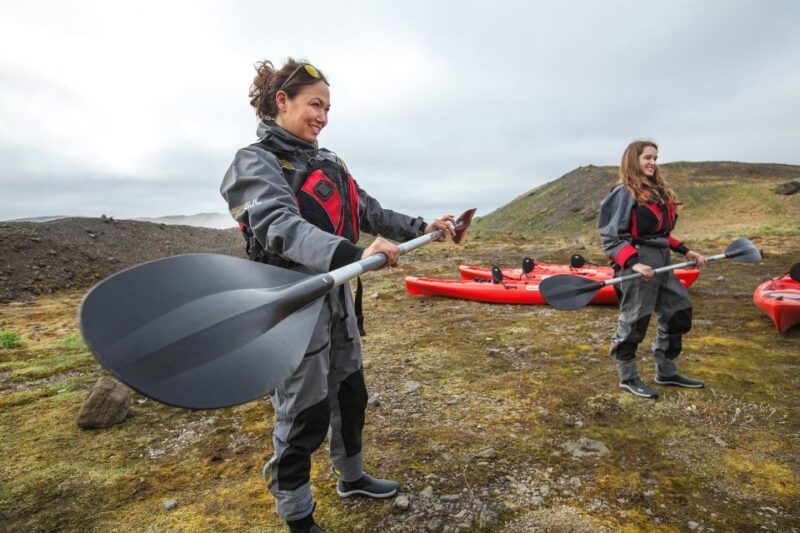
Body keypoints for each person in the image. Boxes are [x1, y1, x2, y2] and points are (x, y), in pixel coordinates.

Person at [220, 58, 455, 533]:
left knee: (350, 395)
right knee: (302, 412)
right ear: (280, 101)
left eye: (327, 107)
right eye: (314, 104)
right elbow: (278, 226)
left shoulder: (328, 161)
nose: (323, 116)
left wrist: (420, 227)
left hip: (338, 296)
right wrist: (351, 253)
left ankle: (351, 477)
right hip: (292, 302)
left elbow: (367, 210)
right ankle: (297, 513)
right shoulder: (254, 163)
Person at [597, 140, 708, 399]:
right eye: (647, 157)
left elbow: (660, 234)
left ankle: (666, 371)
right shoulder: (624, 192)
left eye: (655, 158)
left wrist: (686, 250)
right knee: (635, 321)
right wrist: (633, 262)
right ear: (633, 160)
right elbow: (612, 237)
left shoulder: (656, 192)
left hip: (663, 262)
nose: (653, 163)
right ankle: (627, 376)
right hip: (637, 264)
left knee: (679, 310)